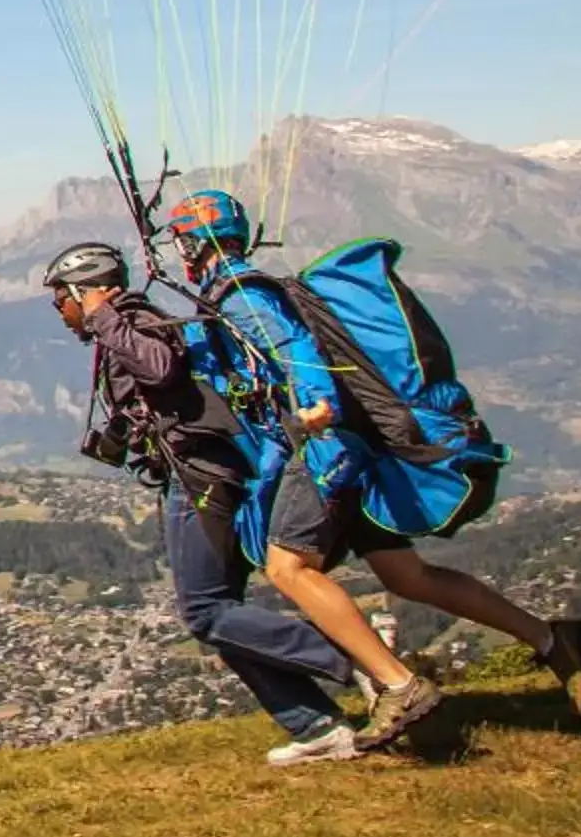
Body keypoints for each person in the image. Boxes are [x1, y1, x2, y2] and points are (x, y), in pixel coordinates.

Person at [159, 190, 581, 752]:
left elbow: (294, 348)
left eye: (181, 241)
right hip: (351, 452)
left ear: (197, 241)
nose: (178, 252)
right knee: (407, 576)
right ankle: (552, 640)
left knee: (288, 568)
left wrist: (315, 406)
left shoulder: (239, 294)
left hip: (325, 450)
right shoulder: (239, 288)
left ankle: (397, 686)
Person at [44, 240, 368, 766]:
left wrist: (104, 316)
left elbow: (160, 367)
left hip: (202, 478)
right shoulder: (124, 327)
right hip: (196, 474)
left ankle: (357, 657)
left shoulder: (134, 320)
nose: (61, 314)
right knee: (221, 613)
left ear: (85, 291)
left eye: (62, 301)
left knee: (205, 613)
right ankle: (316, 725)